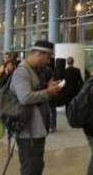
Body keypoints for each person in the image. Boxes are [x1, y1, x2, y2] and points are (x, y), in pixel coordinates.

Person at [10, 41, 63, 175]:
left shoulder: (34, 71)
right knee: (31, 168)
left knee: (36, 166)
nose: (48, 62)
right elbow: (25, 97)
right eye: (47, 58)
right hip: (28, 132)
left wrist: (47, 87)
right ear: (38, 54)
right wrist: (48, 92)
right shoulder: (22, 72)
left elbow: (34, 91)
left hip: (36, 130)